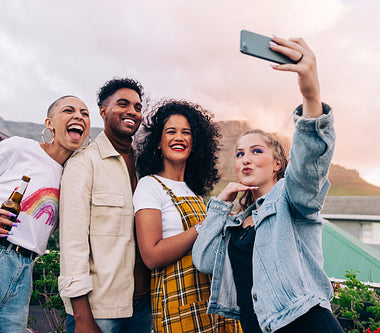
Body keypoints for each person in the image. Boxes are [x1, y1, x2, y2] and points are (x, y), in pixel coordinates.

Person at [192, 37, 344, 333]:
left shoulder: (292, 199)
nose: (246, 159)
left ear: (278, 164)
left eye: (256, 151)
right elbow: (205, 260)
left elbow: (309, 165)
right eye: (240, 153)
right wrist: (220, 206)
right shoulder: (235, 222)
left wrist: (310, 96)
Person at [0, 95, 91, 333]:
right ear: (49, 124)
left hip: (24, 273)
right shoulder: (18, 147)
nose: (79, 116)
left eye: (85, 114)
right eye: (69, 110)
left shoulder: (74, 177)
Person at [133, 100, 241, 333]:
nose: (179, 137)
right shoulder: (150, 186)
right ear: (158, 143)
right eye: (170, 131)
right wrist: (204, 226)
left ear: (195, 143)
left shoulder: (193, 191)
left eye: (186, 132)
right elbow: (151, 256)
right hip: (176, 301)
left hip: (208, 302)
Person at [58, 78, 151, 333]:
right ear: (103, 111)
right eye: (123, 104)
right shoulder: (83, 164)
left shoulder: (146, 167)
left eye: (137, 107)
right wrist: (82, 317)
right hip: (99, 310)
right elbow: (72, 243)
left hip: (144, 305)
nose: (132, 111)